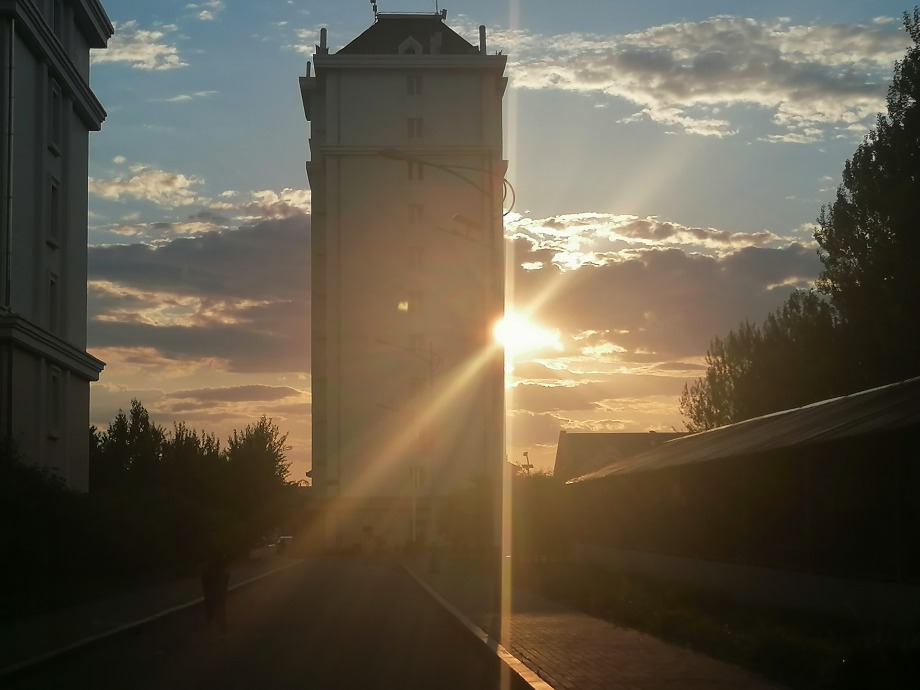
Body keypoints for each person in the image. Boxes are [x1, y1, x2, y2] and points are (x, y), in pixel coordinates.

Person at [201, 552, 230, 635]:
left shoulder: (207, 568)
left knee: (211, 606)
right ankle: (220, 632)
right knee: (219, 607)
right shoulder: (222, 568)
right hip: (218, 576)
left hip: (213, 576)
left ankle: (211, 630)